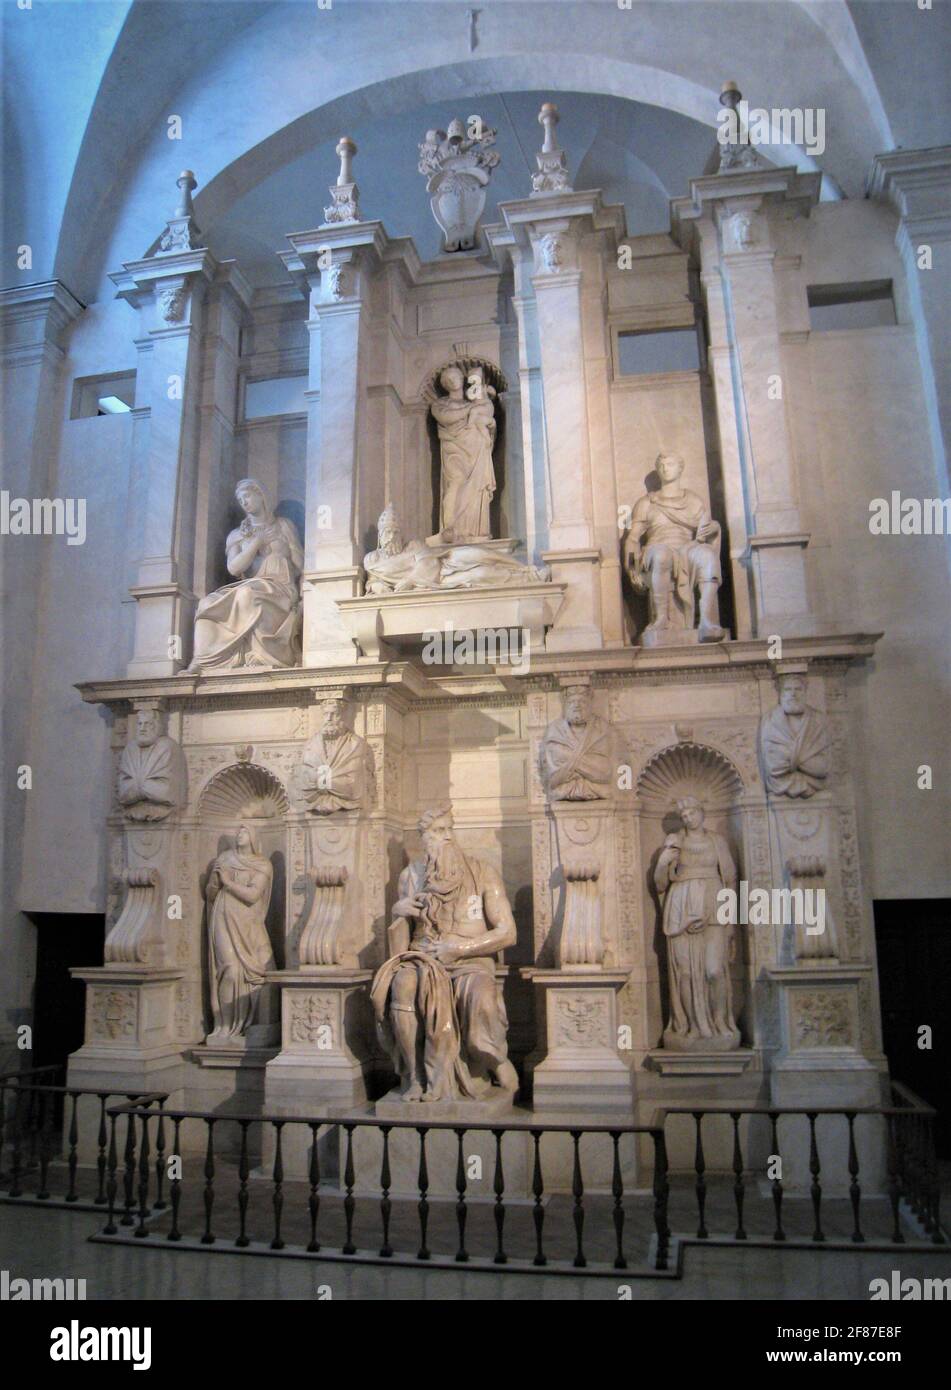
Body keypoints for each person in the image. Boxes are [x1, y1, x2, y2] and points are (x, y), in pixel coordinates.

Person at [370, 805, 518, 1102]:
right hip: (422, 957)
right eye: (438, 831)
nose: (447, 837)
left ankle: (494, 1060)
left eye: (449, 829)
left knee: (481, 998)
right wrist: (399, 911)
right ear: (423, 839)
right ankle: (415, 1076)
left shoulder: (482, 872)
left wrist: (458, 949)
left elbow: (507, 932)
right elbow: (401, 938)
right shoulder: (410, 877)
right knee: (402, 986)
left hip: (471, 962)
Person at [188, 478, 303, 671]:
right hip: (251, 585)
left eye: (247, 496)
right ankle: (203, 660)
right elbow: (234, 569)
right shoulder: (237, 535)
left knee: (247, 595)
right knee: (206, 604)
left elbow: (300, 563)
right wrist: (257, 542)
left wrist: (303, 585)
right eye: (241, 500)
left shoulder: (284, 526)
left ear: (261, 495)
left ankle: (258, 655)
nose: (244, 503)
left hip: (279, 588)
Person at [654, 796, 740, 1050]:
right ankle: (691, 1026)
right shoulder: (675, 841)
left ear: (702, 813)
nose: (689, 818)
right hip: (680, 908)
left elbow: (730, 881)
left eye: (692, 813)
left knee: (714, 970)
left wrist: (731, 922)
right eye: (684, 816)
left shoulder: (717, 841)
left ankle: (719, 1023)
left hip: (713, 905)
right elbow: (660, 883)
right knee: (686, 974)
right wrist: (662, 861)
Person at [623, 452, 725, 642]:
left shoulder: (694, 500)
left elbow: (705, 531)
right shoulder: (646, 503)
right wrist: (631, 568)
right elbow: (633, 539)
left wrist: (714, 528)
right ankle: (661, 618)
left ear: (680, 468)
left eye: (670, 464)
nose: (665, 468)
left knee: (708, 557)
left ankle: (707, 620)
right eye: (661, 465)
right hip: (657, 547)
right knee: (661, 555)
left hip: (688, 548)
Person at [206, 825, 275, 1040]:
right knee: (230, 969)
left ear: (253, 837)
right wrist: (216, 883)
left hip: (248, 923)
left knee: (255, 972)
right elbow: (209, 894)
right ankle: (224, 1026)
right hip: (222, 918)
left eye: (244, 831)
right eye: (238, 831)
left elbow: (253, 895)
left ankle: (248, 1026)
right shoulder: (224, 859)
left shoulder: (263, 864)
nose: (239, 834)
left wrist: (227, 882)